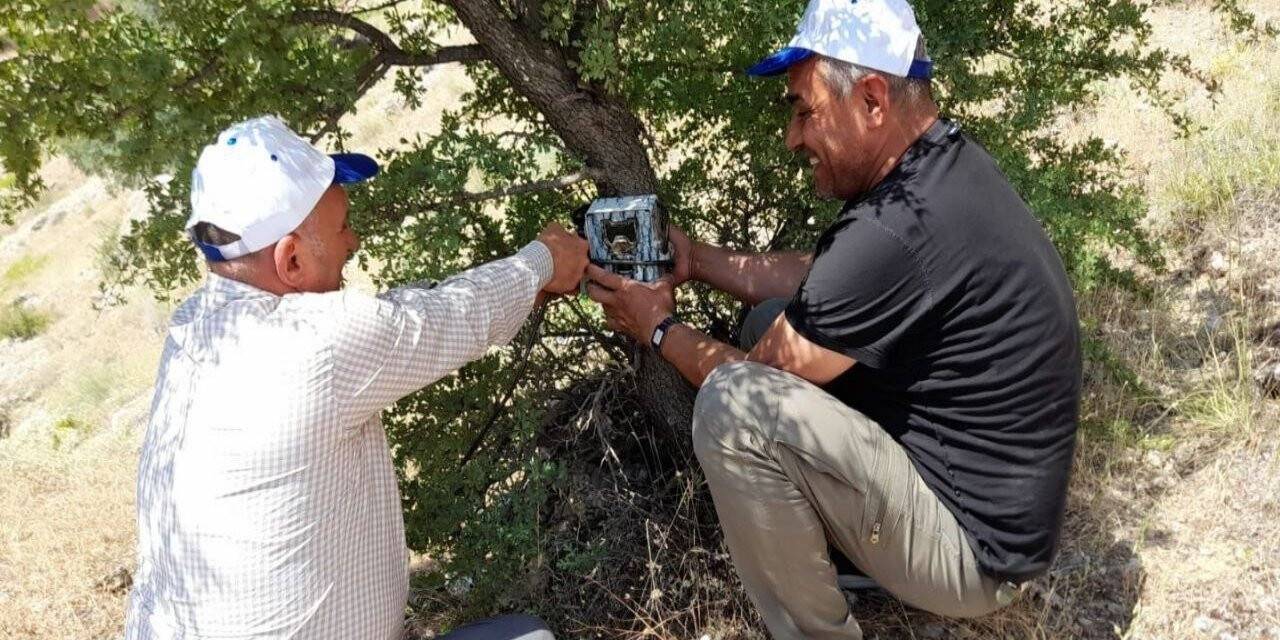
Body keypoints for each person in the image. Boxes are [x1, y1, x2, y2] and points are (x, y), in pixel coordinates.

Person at [585, 0, 1082, 637]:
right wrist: (699, 261)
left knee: (736, 407)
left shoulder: (893, 230)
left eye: (804, 110)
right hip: (996, 510)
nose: (794, 137)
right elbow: (824, 280)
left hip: (976, 557)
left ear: (872, 99)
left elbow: (752, 378)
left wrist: (657, 327)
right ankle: (838, 546)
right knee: (771, 317)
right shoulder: (936, 173)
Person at [124, 115, 585, 640]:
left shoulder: (197, 325)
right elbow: (454, 318)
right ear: (291, 259)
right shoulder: (315, 347)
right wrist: (543, 262)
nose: (355, 241)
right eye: (342, 227)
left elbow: (395, 314)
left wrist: (528, 289)